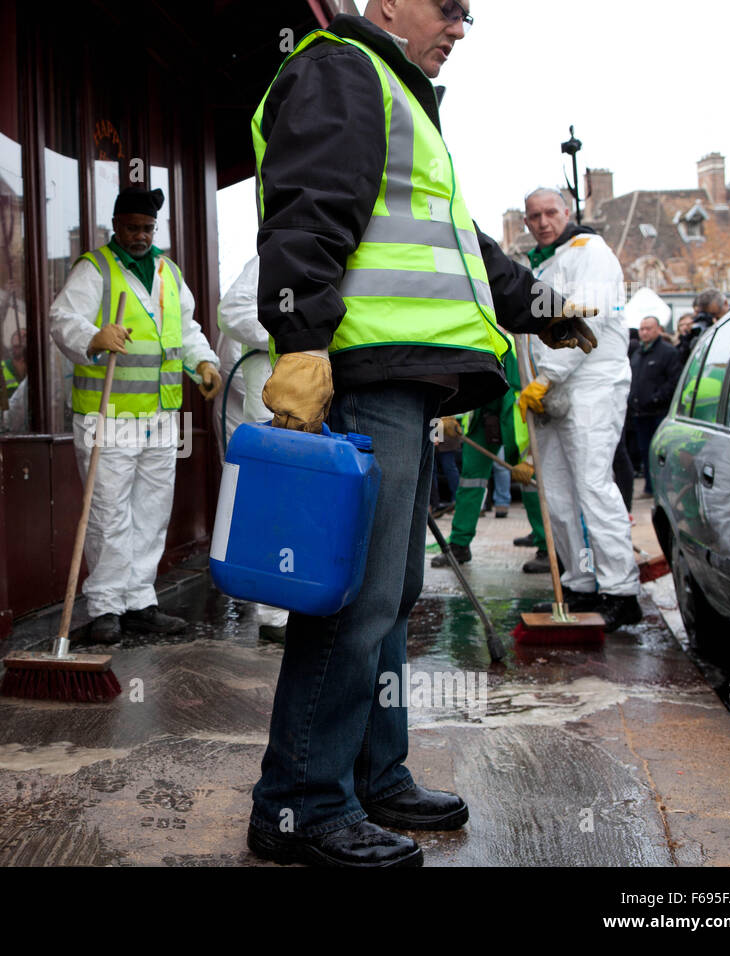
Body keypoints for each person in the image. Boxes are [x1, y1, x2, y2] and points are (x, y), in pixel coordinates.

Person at [247, 1, 598, 868]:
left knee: (391, 595)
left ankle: (374, 776)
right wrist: (299, 343)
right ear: (391, 0)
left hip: (402, 382)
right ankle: (299, 805)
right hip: (367, 375)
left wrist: (541, 308)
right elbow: (306, 213)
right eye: (450, 7)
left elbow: (460, 245)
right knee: (353, 600)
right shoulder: (343, 71)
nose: (462, 26)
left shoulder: (401, 99)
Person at [50, 186, 223, 643]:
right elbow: (62, 319)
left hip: (161, 418)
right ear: (116, 226)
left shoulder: (168, 272)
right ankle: (106, 607)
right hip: (108, 416)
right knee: (107, 513)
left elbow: (186, 331)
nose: (140, 235)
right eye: (132, 227)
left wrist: (204, 363)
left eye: (147, 228)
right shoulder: (97, 269)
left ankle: (139, 601)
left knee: (151, 511)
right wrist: (94, 336)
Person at [518, 187, 641, 630]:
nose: (543, 221)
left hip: (589, 382)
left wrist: (547, 375)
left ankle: (620, 590)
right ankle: (580, 579)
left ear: (566, 212)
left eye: (551, 212)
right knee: (557, 492)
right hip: (548, 389)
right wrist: (537, 382)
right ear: (526, 220)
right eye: (534, 216)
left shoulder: (590, 252)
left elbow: (588, 317)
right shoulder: (541, 263)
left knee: (591, 484)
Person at [214, 255, 289, 643]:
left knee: (308, 504)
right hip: (271, 405)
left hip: (321, 403)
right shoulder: (272, 258)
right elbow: (233, 310)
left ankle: (302, 602)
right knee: (272, 504)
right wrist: (293, 331)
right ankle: (275, 615)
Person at [431, 339, 544, 571]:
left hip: (513, 407)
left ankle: (545, 544)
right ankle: (460, 545)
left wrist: (531, 458)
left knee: (529, 478)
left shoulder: (510, 343)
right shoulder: (464, 338)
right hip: (483, 410)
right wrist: (449, 412)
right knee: (471, 478)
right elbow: (464, 379)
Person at [628, 315, 683, 496]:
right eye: (642, 329)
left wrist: (657, 398)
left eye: (648, 328)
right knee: (645, 452)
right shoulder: (637, 354)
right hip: (640, 413)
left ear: (658, 329)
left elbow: (673, 381)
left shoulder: (668, 352)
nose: (644, 332)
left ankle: (666, 488)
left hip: (659, 412)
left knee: (662, 452)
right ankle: (650, 487)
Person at [677, 289, 727, 361]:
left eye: (714, 314)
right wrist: (686, 337)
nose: (712, 318)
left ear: (725, 303)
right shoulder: (698, 329)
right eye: (698, 313)